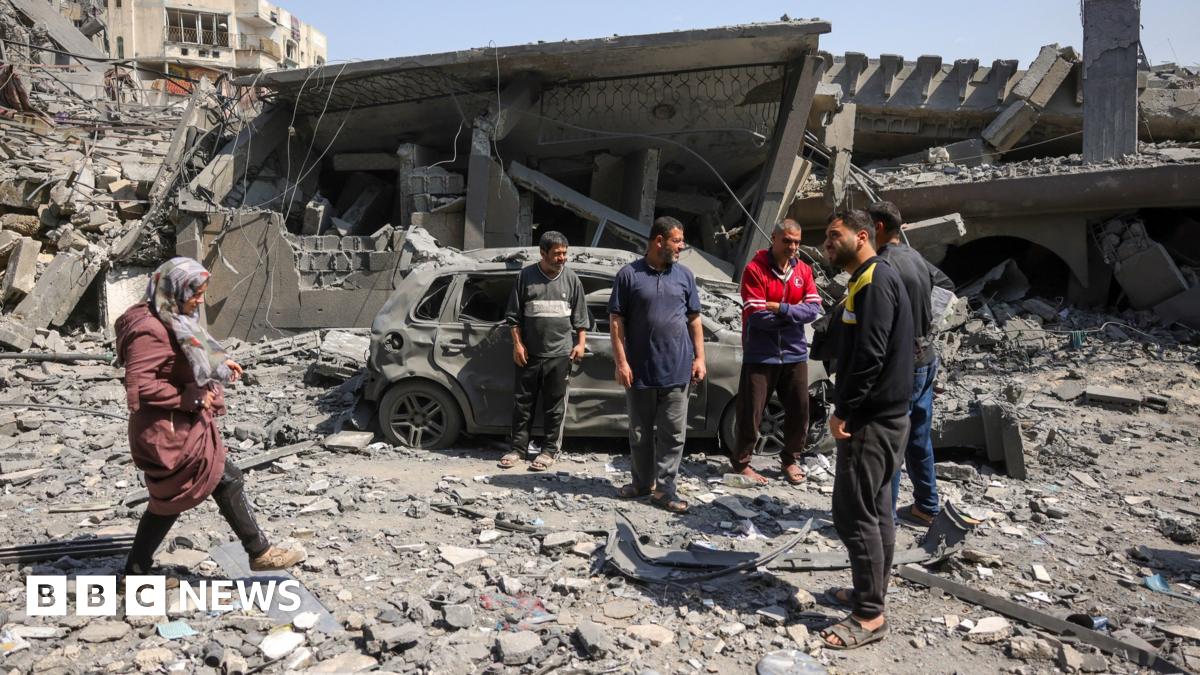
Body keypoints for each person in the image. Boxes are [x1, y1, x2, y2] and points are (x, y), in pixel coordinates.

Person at [115, 257, 304, 577]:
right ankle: (260, 553)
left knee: (182, 495)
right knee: (213, 483)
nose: (200, 300)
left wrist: (218, 363)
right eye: (195, 293)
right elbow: (141, 387)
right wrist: (194, 396)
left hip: (182, 427)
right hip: (167, 432)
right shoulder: (149, 329)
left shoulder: (170, 315)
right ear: (174, 289)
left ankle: (135, 571)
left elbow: (189, 349)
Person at [818, 210, 914, 650]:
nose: (828, 243)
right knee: (876, 510)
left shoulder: (874, 281)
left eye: (835, 236)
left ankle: (869, 617)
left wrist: (844, 411)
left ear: (863, 235)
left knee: (854, 512)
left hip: (872, 419)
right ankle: (869, 593)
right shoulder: (869, 279)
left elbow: (870, 356)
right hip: (887, 415)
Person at [867, 201, 957, 528]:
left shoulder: (883, 265)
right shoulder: (915, 257)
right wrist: (926, 321)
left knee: (891, 440)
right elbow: (946, 285)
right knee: (918, 435)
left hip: (903, 364)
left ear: (878, 227)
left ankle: (883, 519)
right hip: (926, 356)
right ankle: (926, 506)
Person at [608, 216, 705, 514]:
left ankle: (665, 490)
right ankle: (641, 483)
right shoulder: (629, 275)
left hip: (677, 370)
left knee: (673, 434)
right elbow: (616, 321)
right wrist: (621, 362)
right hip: (639, 370)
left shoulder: (685, 276)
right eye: (677, 240)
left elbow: (695, 319)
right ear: (658, 241)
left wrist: (700, 357)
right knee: (639, 433)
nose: (682, 246)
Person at [732, 219, 822, 485]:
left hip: (794, 353)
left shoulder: (803, 270)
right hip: (761, 353)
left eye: (796, 241)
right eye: (787, 241)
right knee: (751, 411)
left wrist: (780, 308)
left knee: (799, 410)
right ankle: (742, 463)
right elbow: (757, 316)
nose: (793, 246)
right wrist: (794, 314)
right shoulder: (755, 269)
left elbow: (813, 310)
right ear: (774, 238)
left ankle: (791, 460)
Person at [501, 231, 590, 471]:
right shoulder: (526, 277)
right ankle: (518, 450)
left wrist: (580, 344)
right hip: (529, 354)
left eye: (564, 253)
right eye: (557, 253)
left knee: (554, 405)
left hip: (560, 355)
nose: (562, 258)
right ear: (543, 253)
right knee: (523, 404)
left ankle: (549, 451)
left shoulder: (571, 279)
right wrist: (517, 344)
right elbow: (513, 317)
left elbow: (581, 318)